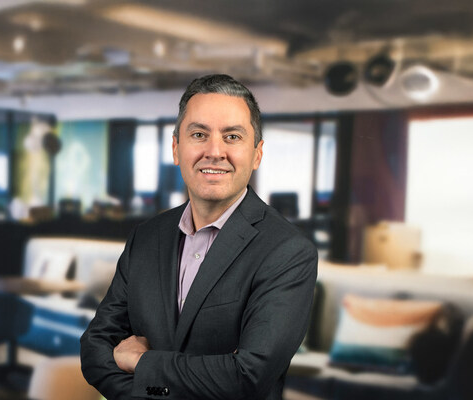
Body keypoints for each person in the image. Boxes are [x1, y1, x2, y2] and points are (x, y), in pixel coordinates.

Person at [80, 74, 318, 400]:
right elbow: (96, 347)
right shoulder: (146, 238)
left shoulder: (288, 251)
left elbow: (248, 376)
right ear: (176, 148)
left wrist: (142, 363)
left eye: (232, 136)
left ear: (257, 154)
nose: (214, 151)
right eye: (199, 134)